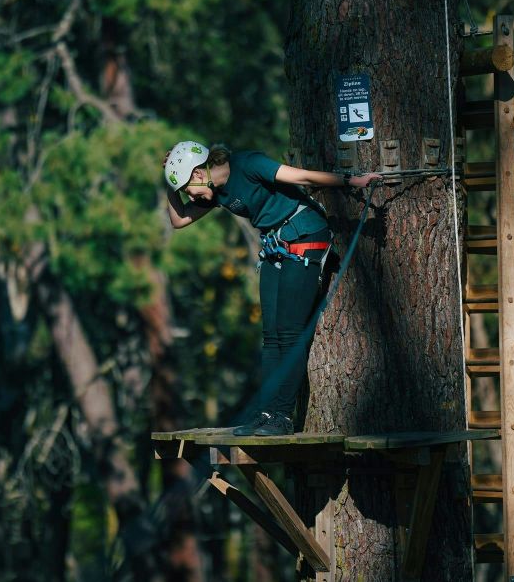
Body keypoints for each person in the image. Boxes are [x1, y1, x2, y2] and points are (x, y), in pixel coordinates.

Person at [163, 141, 382, 436]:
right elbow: (178, 220)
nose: (190, 197)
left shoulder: (248, 164)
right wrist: (169, 182)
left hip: (304, 234)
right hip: (275, 246)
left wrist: (350, 181)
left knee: (290, 334)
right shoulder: (216, 193)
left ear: (199, 173)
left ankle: (281, 416)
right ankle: (265, 413)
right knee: (271, 337)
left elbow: (301, 177)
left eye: (188, 189)